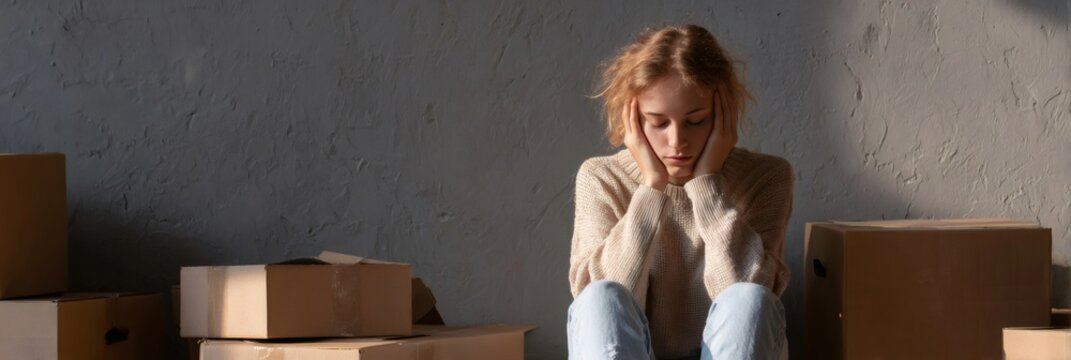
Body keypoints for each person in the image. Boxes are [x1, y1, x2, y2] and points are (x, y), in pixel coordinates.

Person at [567, 24, 794, 360]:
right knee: (600, 297)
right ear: (634, 119)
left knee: (749, 297)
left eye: (696, 120)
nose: (677, 142)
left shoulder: (766, 177)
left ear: (722, 114)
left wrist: (706, 185)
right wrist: (651, 187)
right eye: (658, 123)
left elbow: (750, 303)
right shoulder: (601, 177)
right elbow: (604, 313)